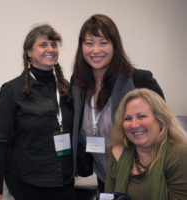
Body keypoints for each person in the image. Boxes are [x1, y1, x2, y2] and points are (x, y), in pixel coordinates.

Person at [71, 14, 164, 192]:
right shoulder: (78, 84)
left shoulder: (138, 80)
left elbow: (164, 127)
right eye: (89, 43)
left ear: (115, 45)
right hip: (104, 177)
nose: (95, 50)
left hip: (142, 179)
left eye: (103, 42)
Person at [0, 24, 74, 200]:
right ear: (29, 52)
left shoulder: (67, 89)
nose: (50, 49)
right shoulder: (12, 90)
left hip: (64, 180)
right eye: (43, 45)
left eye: (54, 45)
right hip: (29, 183)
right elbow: (2, 140)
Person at [105, 88, 187, 199]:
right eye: (128, 118)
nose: (134, 125)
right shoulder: (118, 152)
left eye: (142, 116)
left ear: (161, 120)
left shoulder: (179, 154)